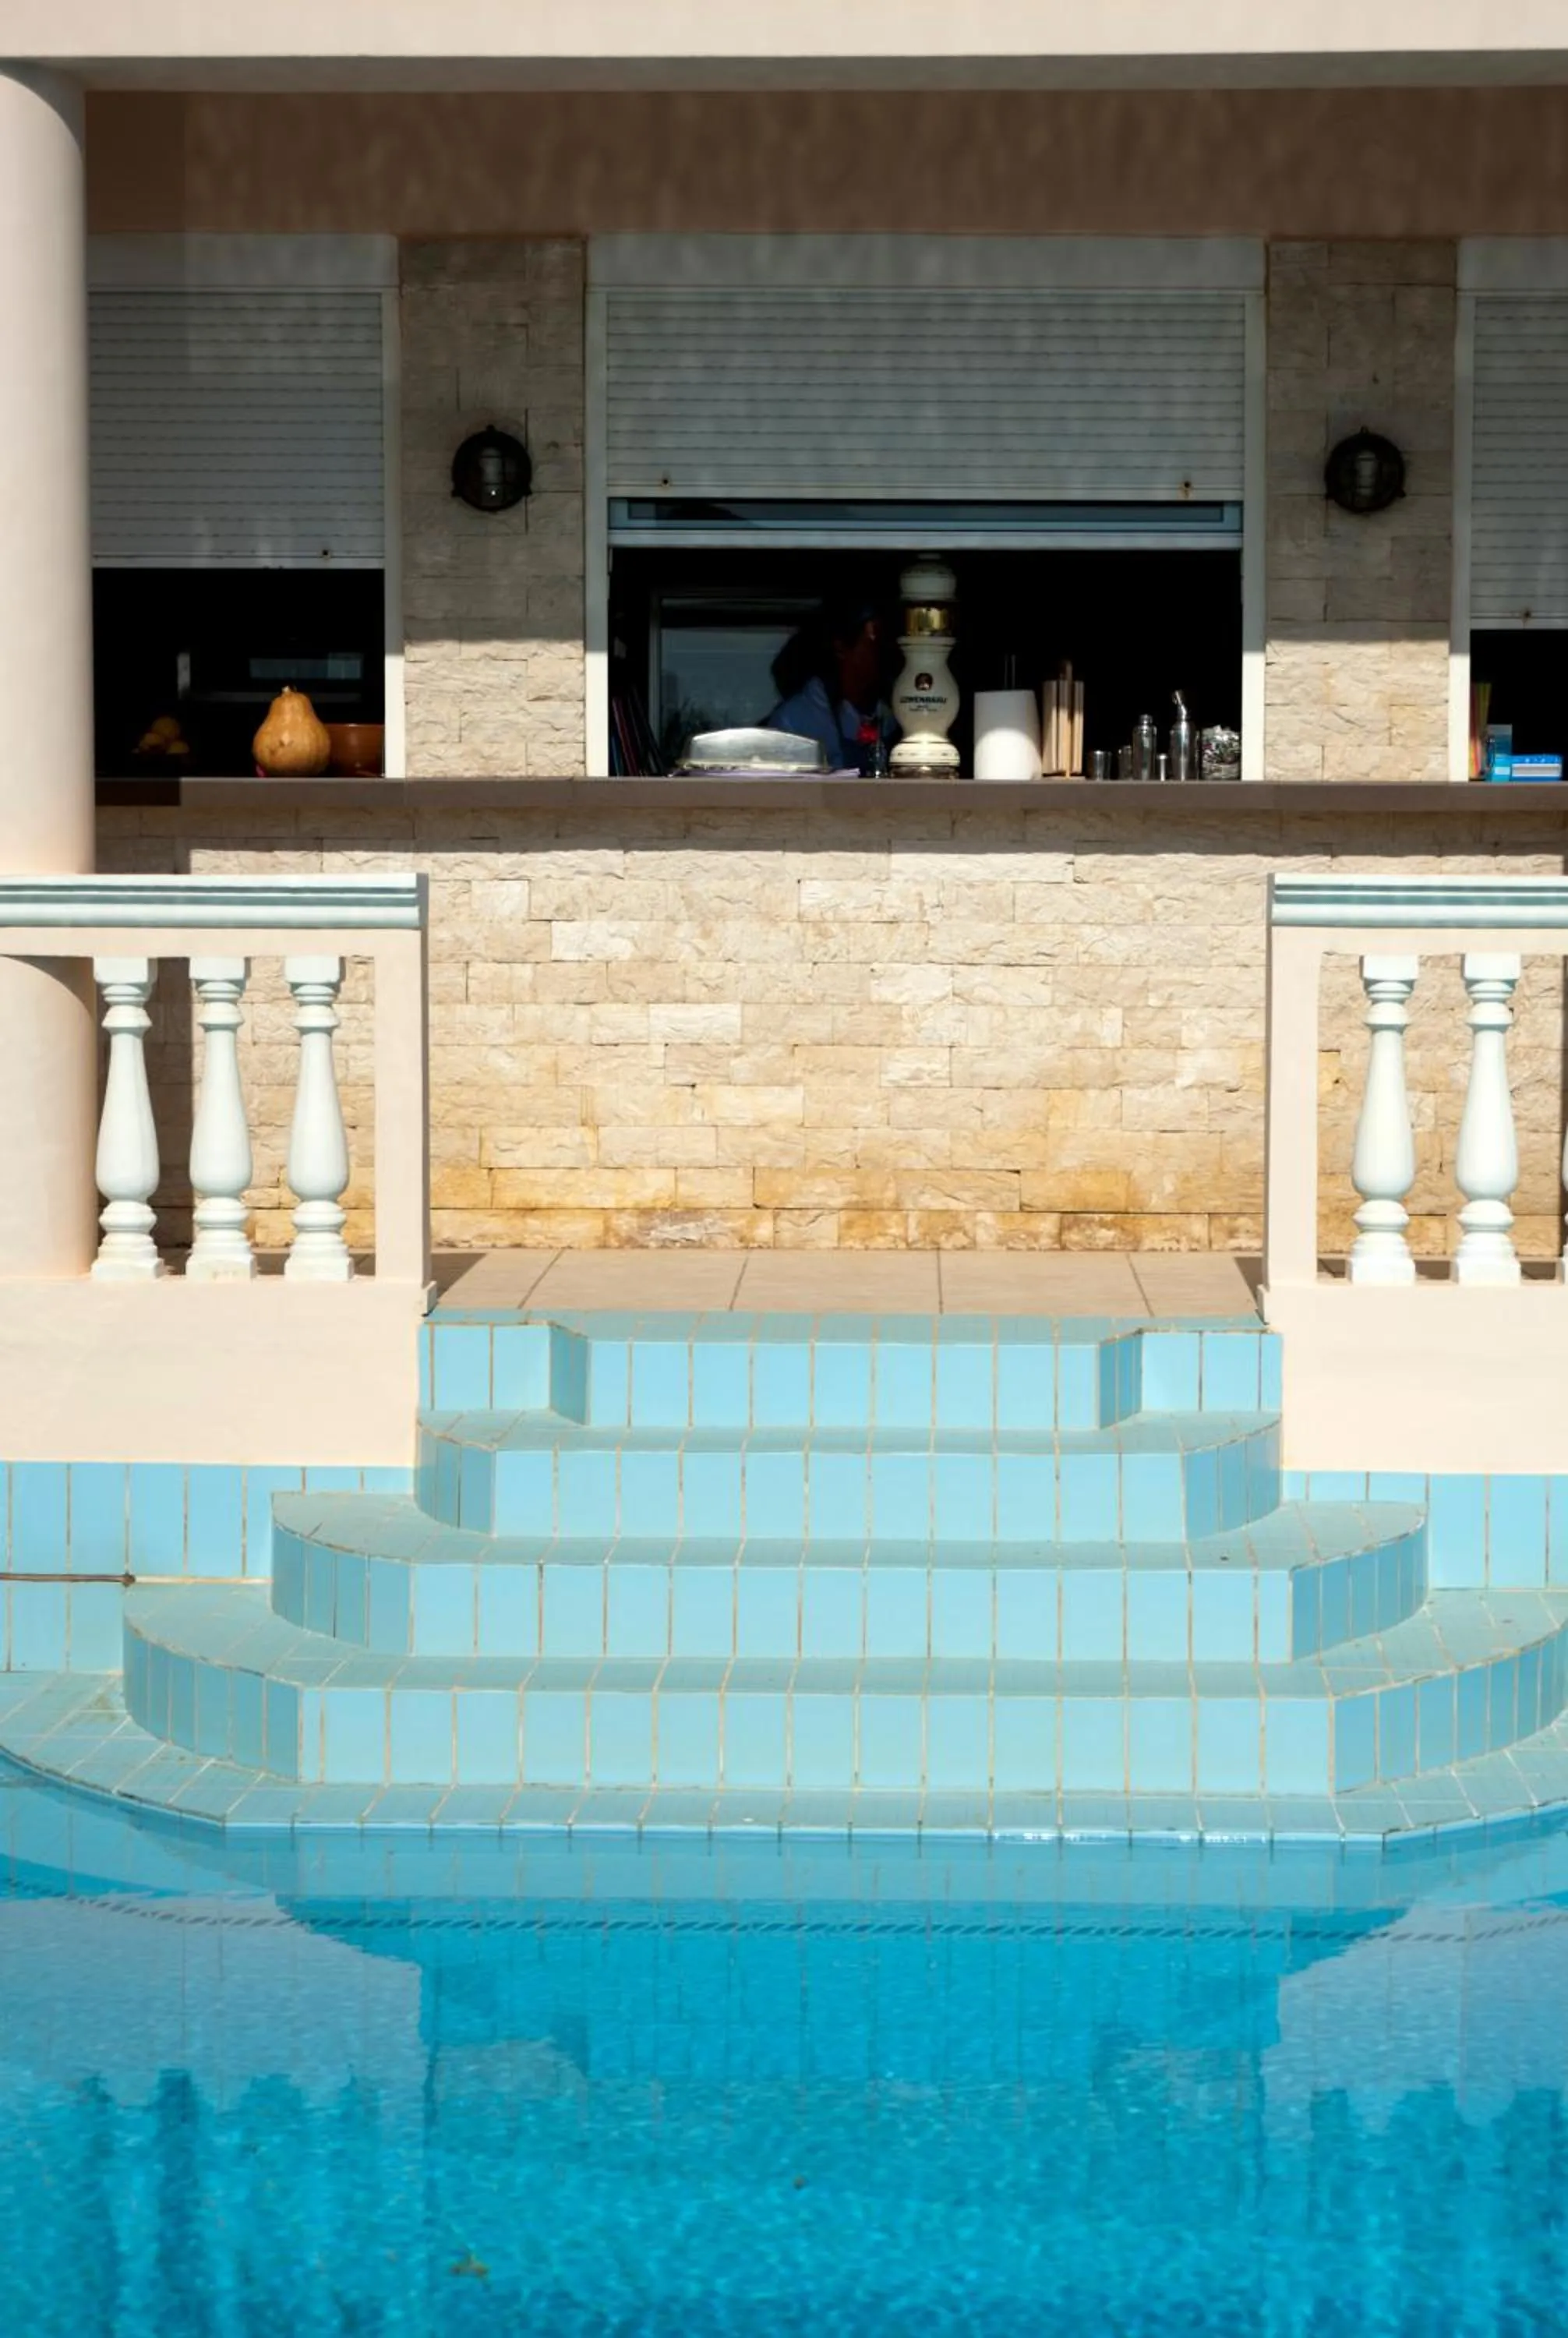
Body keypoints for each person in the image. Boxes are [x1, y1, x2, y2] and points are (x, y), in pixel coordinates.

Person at [764, 599, 892, 773]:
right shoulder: (793, 722)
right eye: (872, 643)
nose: (883, 652)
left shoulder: (893, 713)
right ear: (841, 648)